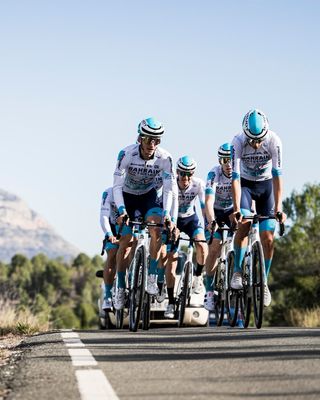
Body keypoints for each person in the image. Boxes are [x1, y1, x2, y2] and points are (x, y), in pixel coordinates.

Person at [113, 117, 176, 310]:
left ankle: (151, 277)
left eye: (157, 140)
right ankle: (121, 287)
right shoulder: (126, 154)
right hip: (127, 196)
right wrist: (122, 211)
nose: (152, 144)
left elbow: (169, 189)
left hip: (148, 196)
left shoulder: (165, 158)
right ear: (140, 138)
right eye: (148, 139)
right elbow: (116, 186)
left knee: (157, 229)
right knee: (126, 241)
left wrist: (169, 216)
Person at [229, 109, 286, 306]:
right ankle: (237, 270)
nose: (255, 144)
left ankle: (264, 282)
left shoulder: (274, 141)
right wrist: (236, 208)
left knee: (268, 238)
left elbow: (278, 176)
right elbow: (235, 179)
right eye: (252, 140)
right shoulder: (237, 142)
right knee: (243, 225)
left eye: (259, 139)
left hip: (265, 186)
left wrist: (278, 208)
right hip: (244, 185)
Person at [164, 156, 207, 319]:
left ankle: (198, 277)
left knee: (202, 245)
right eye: (182, 173)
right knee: (171, 259)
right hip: (173, 220)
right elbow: (168, 206)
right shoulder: (171, 184)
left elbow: (203, 207)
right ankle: (171, 302)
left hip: (190, 219)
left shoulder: (198, 184)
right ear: (177, 172)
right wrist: (171, 225)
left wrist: (208, 224)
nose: (186, 178)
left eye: (189, 174)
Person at [204, 143, 233, 311]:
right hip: (215, 211)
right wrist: (211, 221)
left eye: (230, 160)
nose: (228, 164)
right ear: (220, 161)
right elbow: (208, 201)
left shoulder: (239, 172)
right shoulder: (213, 174)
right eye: (224, 160)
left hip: (230, 210)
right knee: (214, 247)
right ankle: (209, 291)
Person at [99, 187, 119, 310]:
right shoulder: (108, 193)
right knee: (112, 253)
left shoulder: (138, 192)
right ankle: (108, 296)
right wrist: (109, 234)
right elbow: (104, 216)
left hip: (130, 227)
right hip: (113, 228)